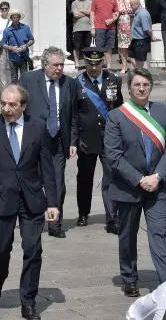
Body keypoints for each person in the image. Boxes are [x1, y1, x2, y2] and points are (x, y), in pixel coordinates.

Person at [0, 84, 59, 320]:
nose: (6, 108)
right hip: (1, 198)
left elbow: (48, 169)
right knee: (0, 249)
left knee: (33, 249)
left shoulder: (37, 127)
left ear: (24, 105)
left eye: (12, 104)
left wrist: (52, 202)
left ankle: (28, 300)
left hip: (31, 198)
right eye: (3, 103)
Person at [104, 68, 166, 297]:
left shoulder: (164, 111)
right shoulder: (116, 116)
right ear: (129, 88)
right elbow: (113, 156)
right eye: (137, 84)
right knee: (127, 235)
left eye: (146, 84)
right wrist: (139, 180)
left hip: (159, 186)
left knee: (159, 233)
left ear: (151, 87)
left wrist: (157, 176)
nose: (142, 88)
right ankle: (129, 277)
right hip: (128, 188)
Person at [19, 47, 77, 238]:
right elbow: (17, 106)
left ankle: (55, 224)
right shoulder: (28, 80)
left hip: (58, 141)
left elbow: (73, 115)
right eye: (55, 65)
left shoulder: (70, 83)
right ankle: (33, 219)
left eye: (61, 65)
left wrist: (73, 140)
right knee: (33, 182)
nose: (59, 69)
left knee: (57, 183)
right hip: (34, 140)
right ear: (45, 65)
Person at [71, 47, 122, 232]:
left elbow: (118, 109)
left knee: (111, 177)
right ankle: (83, 213)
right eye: (90, 63)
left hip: (109, 138)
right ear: (85, 62)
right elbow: (74, 115)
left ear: (103, 61)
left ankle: (112, 218)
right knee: (85, 178)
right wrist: (74, 140)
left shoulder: (114, 80)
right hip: (87, 139)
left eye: (97, 63)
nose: (93, 67)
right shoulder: (76, 83)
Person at [0, 9, 35, 84]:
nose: (15, 19)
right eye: (14, 17)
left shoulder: (26, 28)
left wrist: (26, 45)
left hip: (24, 57)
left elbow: (32, 39)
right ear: (11, 18)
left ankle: (24, 94)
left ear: (19, 18)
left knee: (25, 78)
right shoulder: (7, 30)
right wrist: (11, 48)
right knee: (14, 78)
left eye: (17, 17)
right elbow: (2, 43)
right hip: (12, 58)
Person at [91, 0, 119, 69]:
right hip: (99, 27)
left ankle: (109, 66)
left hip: (111, 27)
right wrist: (92, 27)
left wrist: (112, 20)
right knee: (100, 48)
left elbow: (117, 13)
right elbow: (92, 13)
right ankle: (100, 66)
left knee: (109, 47)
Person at [130, 0, 159, 68]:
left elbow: (147, 29)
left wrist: (152, 36)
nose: (130, 7)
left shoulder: (142, 13)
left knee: (141, 61)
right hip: (136, 40)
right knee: (134, 58)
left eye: (132, 5)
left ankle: (144, 74)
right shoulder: (138, 12)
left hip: (141, 41)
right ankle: (137, 73)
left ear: (137, 4)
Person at [70, 0, 92, 69]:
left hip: (88, 27)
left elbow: (91, 12)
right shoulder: (74, 3)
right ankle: (77, 64)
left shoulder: (90, 2)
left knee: (87, 47)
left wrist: (81, 11)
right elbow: (75, 14)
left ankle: (87, 63)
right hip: (77, 28)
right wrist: (86, 12)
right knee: (76, 46)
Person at [117, 0, 135, 73]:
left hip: (132, 27)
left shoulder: (134, 0)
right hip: (122, 29)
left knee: (133, 47)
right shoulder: (118, 1)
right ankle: (124, 67)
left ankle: (133, 66)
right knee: (123, 49)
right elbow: (115, 13)